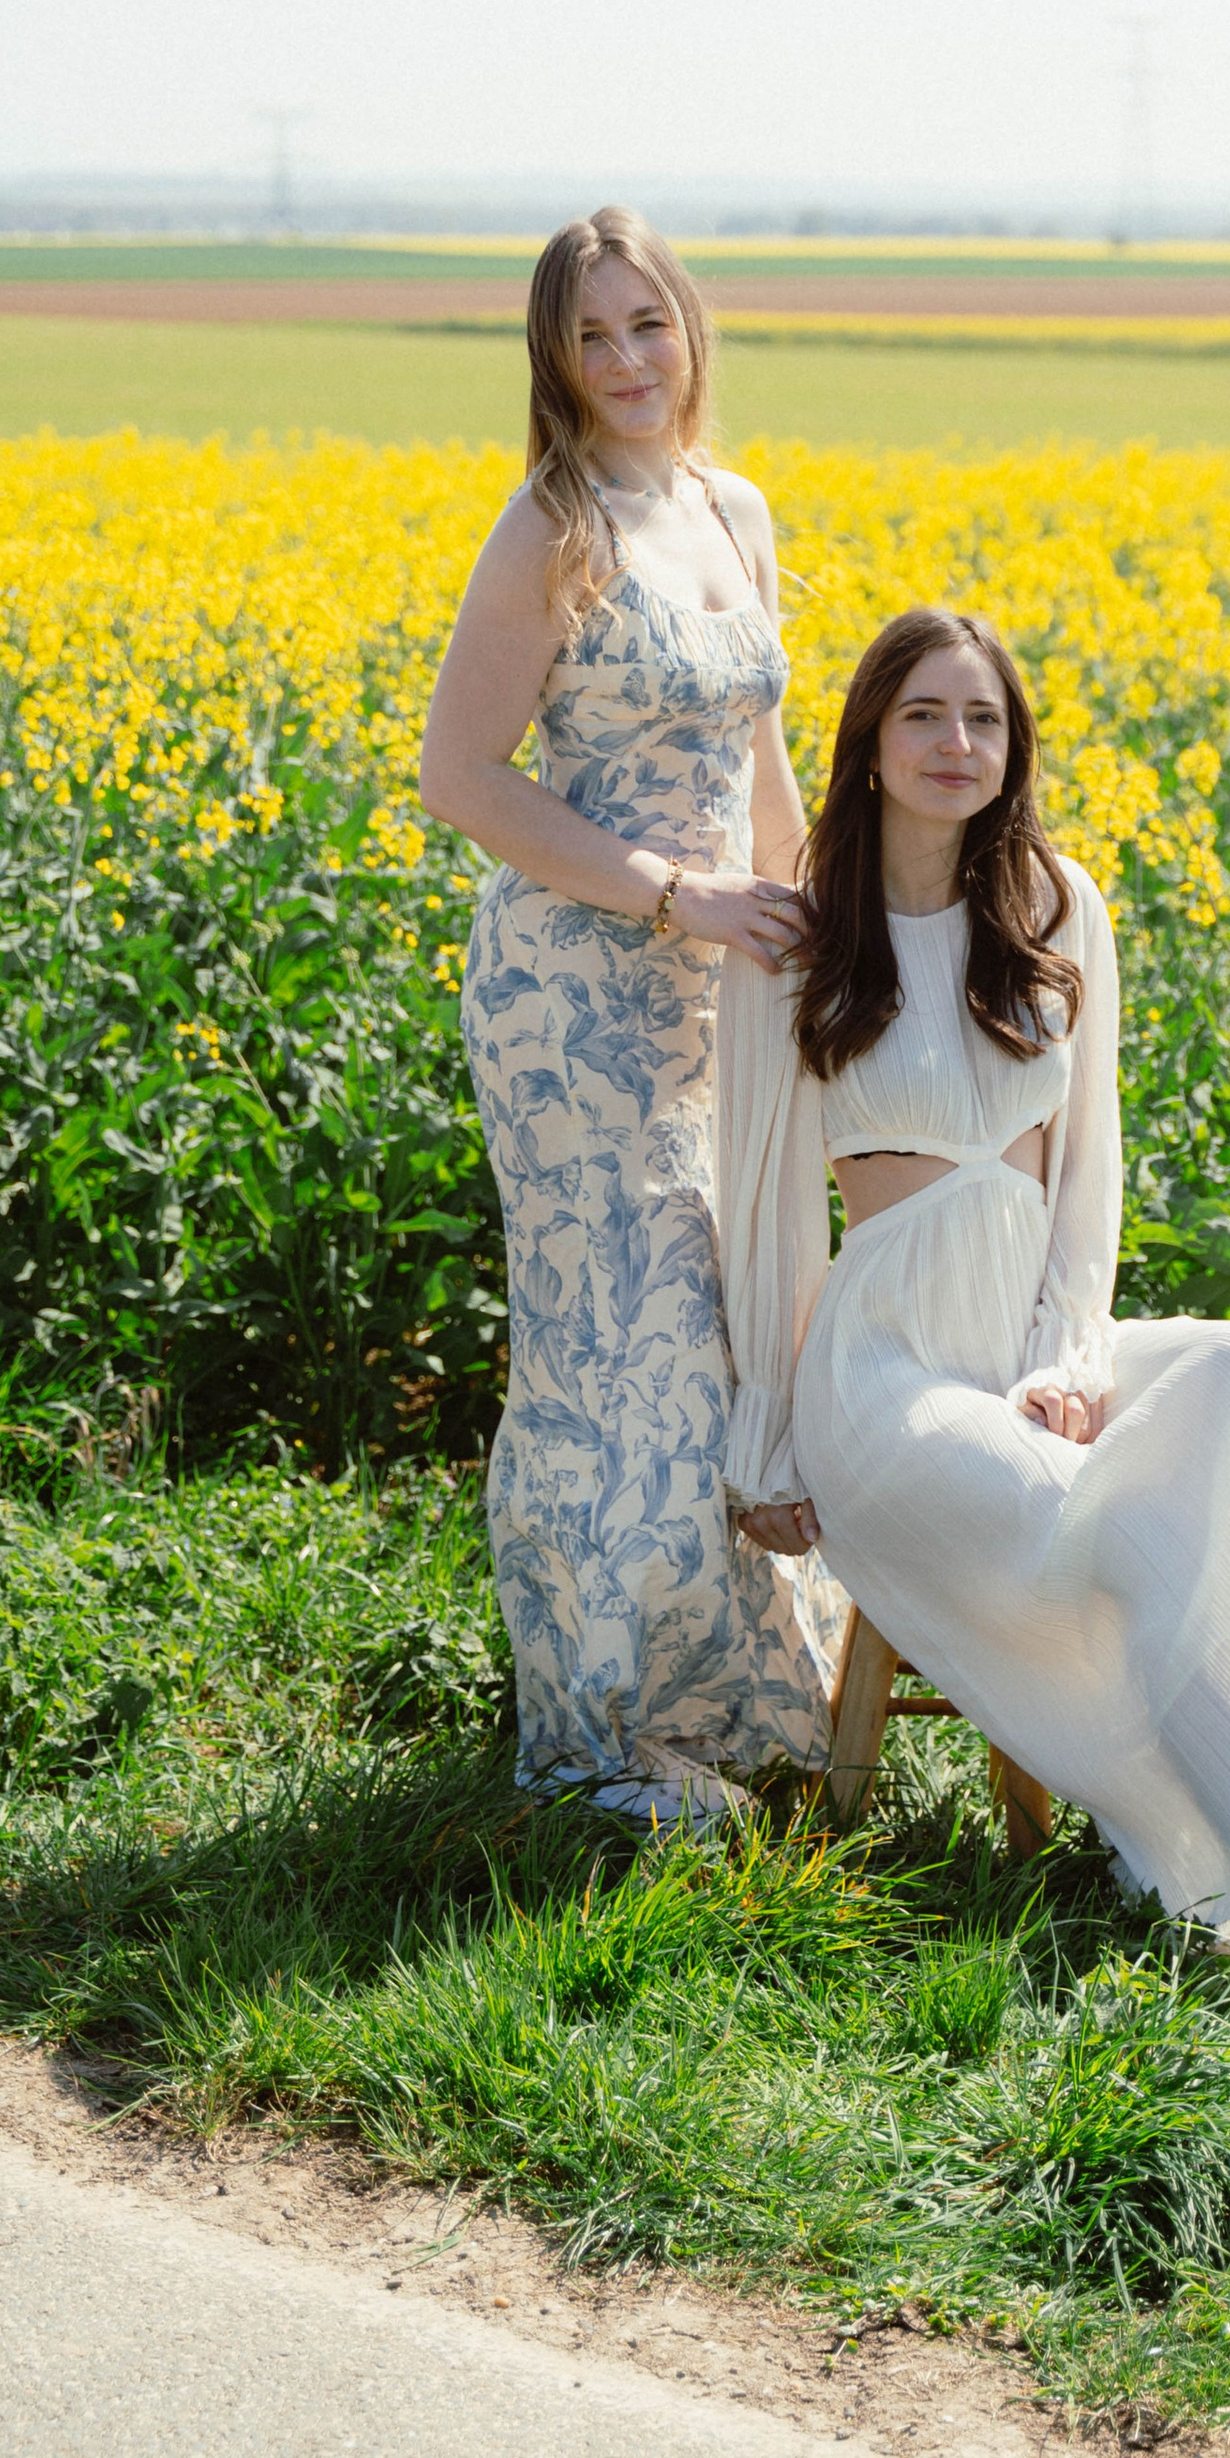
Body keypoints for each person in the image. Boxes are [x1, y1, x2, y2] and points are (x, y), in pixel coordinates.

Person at [715, 604, 1230, 2019]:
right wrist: (767, 1439)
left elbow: (1087, 1169)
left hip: (1024, 1356)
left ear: (1014, 749)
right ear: (868, 740)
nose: (956, 743)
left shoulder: (1056, 907)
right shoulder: (804, 936)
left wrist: (1074, 1352)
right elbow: (760, 1208)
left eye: (984, 719)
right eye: (925, 713)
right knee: (1108, 1521)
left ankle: (1176, 1836)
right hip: (887, 1386)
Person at [419, 205, 842, 1826]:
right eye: (590, 337)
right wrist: (680, 897)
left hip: (723, 981)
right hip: (576, 1000)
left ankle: (733, 1700)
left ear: (690, 331)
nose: (624, 363)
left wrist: (815, 927)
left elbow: (761, 756)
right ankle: (592, 1735)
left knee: (728, 1321)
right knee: (616, 1336)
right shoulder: (547, 527)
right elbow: (460, 779)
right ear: (554, 361)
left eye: (645, 326)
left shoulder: (736, 507)